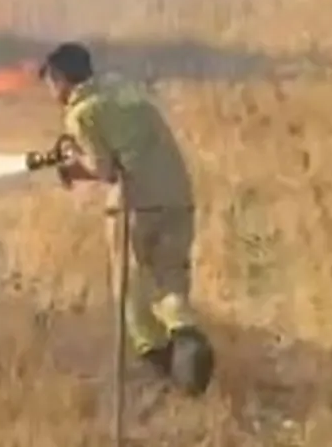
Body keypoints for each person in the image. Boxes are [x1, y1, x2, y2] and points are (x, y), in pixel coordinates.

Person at [37, 41, 215, 397]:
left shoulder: (81, 113)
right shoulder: (122, 88)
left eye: (50, 83)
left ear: (59, 78)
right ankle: (186, 336)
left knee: (131, 287)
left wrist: (71, 167)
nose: (50, 91)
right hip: (177, 196)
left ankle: (158, 357)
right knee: (170, 278)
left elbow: (104, 170)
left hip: (135, 205)